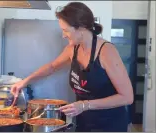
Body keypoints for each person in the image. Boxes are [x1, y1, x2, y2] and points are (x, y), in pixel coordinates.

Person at [11, 2, 134, 132]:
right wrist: (25, 81)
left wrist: (85, 105)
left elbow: (127, 97)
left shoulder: (106, 51)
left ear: (81, 28)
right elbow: (52, 67)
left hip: (109, 124)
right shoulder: (72, 49)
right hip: (83, 121)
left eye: (65, 30)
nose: (63, 35)